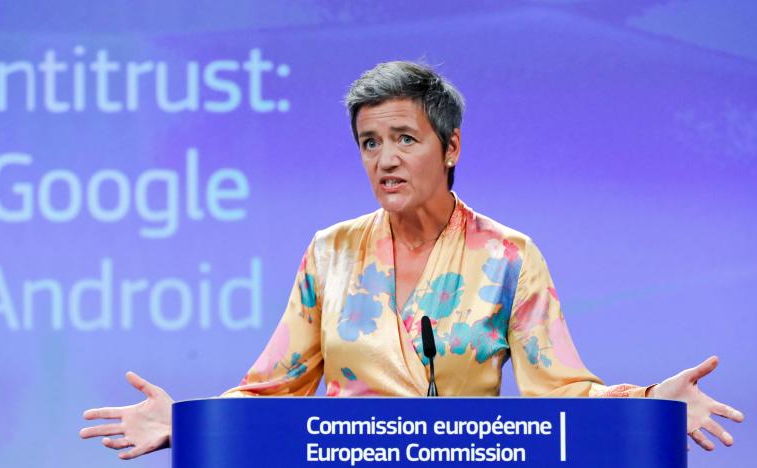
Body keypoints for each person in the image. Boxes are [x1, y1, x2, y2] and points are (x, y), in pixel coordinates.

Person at [80, 61, 744, 460]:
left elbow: (561, 388)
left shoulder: (508, 256)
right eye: (369, 142)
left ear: (451, 146)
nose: (384, 158)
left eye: (404, 137)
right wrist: (186, 425)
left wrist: (654, 403)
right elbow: (271, 391)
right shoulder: (330, 251)